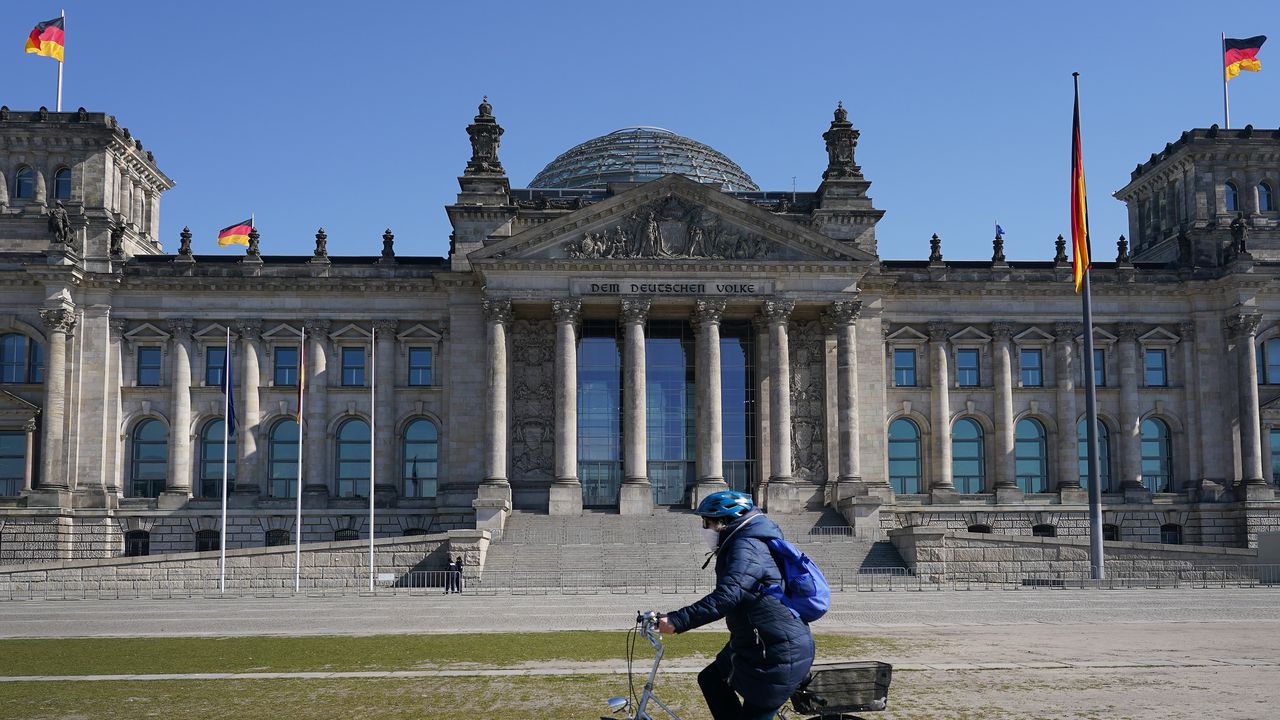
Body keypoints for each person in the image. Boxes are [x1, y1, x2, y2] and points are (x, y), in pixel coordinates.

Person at [657, 491, 814, 719]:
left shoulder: (747, 547)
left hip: (775, 652)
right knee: (711, 679)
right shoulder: (743, 543)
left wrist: (677, 620)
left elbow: (727, 596)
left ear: (725, 521)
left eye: (707, 523)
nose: (704, 529)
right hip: (755, 643)